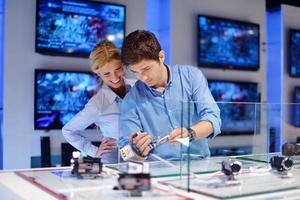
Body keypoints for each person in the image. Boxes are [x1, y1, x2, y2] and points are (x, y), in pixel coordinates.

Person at [119, 30, 221, 161]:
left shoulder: (191, 76)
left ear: (161, 57)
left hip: (199, 165)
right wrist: (137, 152)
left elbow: (213, 118)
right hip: (159, 172)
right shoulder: (131, 100)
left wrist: (191, 133)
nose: (142, 77)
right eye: (135, 72)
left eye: (146, 69)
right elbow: (124, 153)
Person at [62, 40, 135, 164]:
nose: (115, 77)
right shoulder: (97, 104)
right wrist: (93, 151)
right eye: (107, 73)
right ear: (98, 74)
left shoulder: (138, 87)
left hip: (145, 157)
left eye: (118, 69)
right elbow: (68, 131)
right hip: (114, 161)